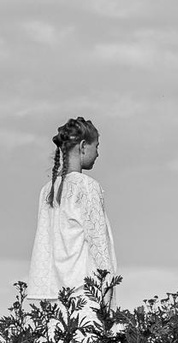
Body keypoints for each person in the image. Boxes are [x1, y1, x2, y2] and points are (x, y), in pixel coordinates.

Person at [25, 116, 117, 300]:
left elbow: (45, 246)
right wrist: (107, 291)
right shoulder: (87, 186)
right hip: (86, 293)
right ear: (83, 146)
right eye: (96, 146)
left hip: (56, 296)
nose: (98, 153)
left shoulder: (47, 190)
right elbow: (99, 244)